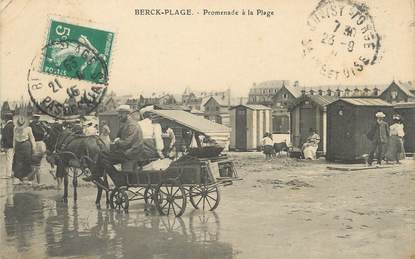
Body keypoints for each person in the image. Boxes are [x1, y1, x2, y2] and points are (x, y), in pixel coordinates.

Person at [83, 105, 144, 182]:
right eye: (119, 114)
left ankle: (116, 178)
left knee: (103, 156)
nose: (119, 116)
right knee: (103, 154)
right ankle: (98, 174)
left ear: (127, 114)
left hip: (131, 153)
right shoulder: (127, 124)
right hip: (130, 151)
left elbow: (127, 142)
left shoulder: (132, 125)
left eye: (121, 114)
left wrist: (116, 142)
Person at [12, 116, 36, 183]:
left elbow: (32, 138)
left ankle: (28, 178)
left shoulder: (28, 128)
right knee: (18, 162)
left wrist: (34, 147)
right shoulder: (15, 128)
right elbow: (14, 138)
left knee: (27, 161)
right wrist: (14, 147)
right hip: (18, 145)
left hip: (26, 145)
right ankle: (19, 178)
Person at [29, 114, 47, 184]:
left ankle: (34, 181)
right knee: (35, 164)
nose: (37, 119)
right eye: (36, 118)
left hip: (38, 143)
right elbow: (39, 133)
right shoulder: (32, 125)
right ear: (34, 118)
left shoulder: (38, 125)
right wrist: (43, 134)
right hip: (36, 143)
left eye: (38, 118)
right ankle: (34, 181)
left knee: (35, 164)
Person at [1, 113, 14, 178]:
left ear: (7, 118)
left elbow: (5, 136)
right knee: (13, 159)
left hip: (9, 146)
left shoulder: (7, 126)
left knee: (9, 159)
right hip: (14, 145)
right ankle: (12, 173)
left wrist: (5, 146)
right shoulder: (13, 125)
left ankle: (8, 174)